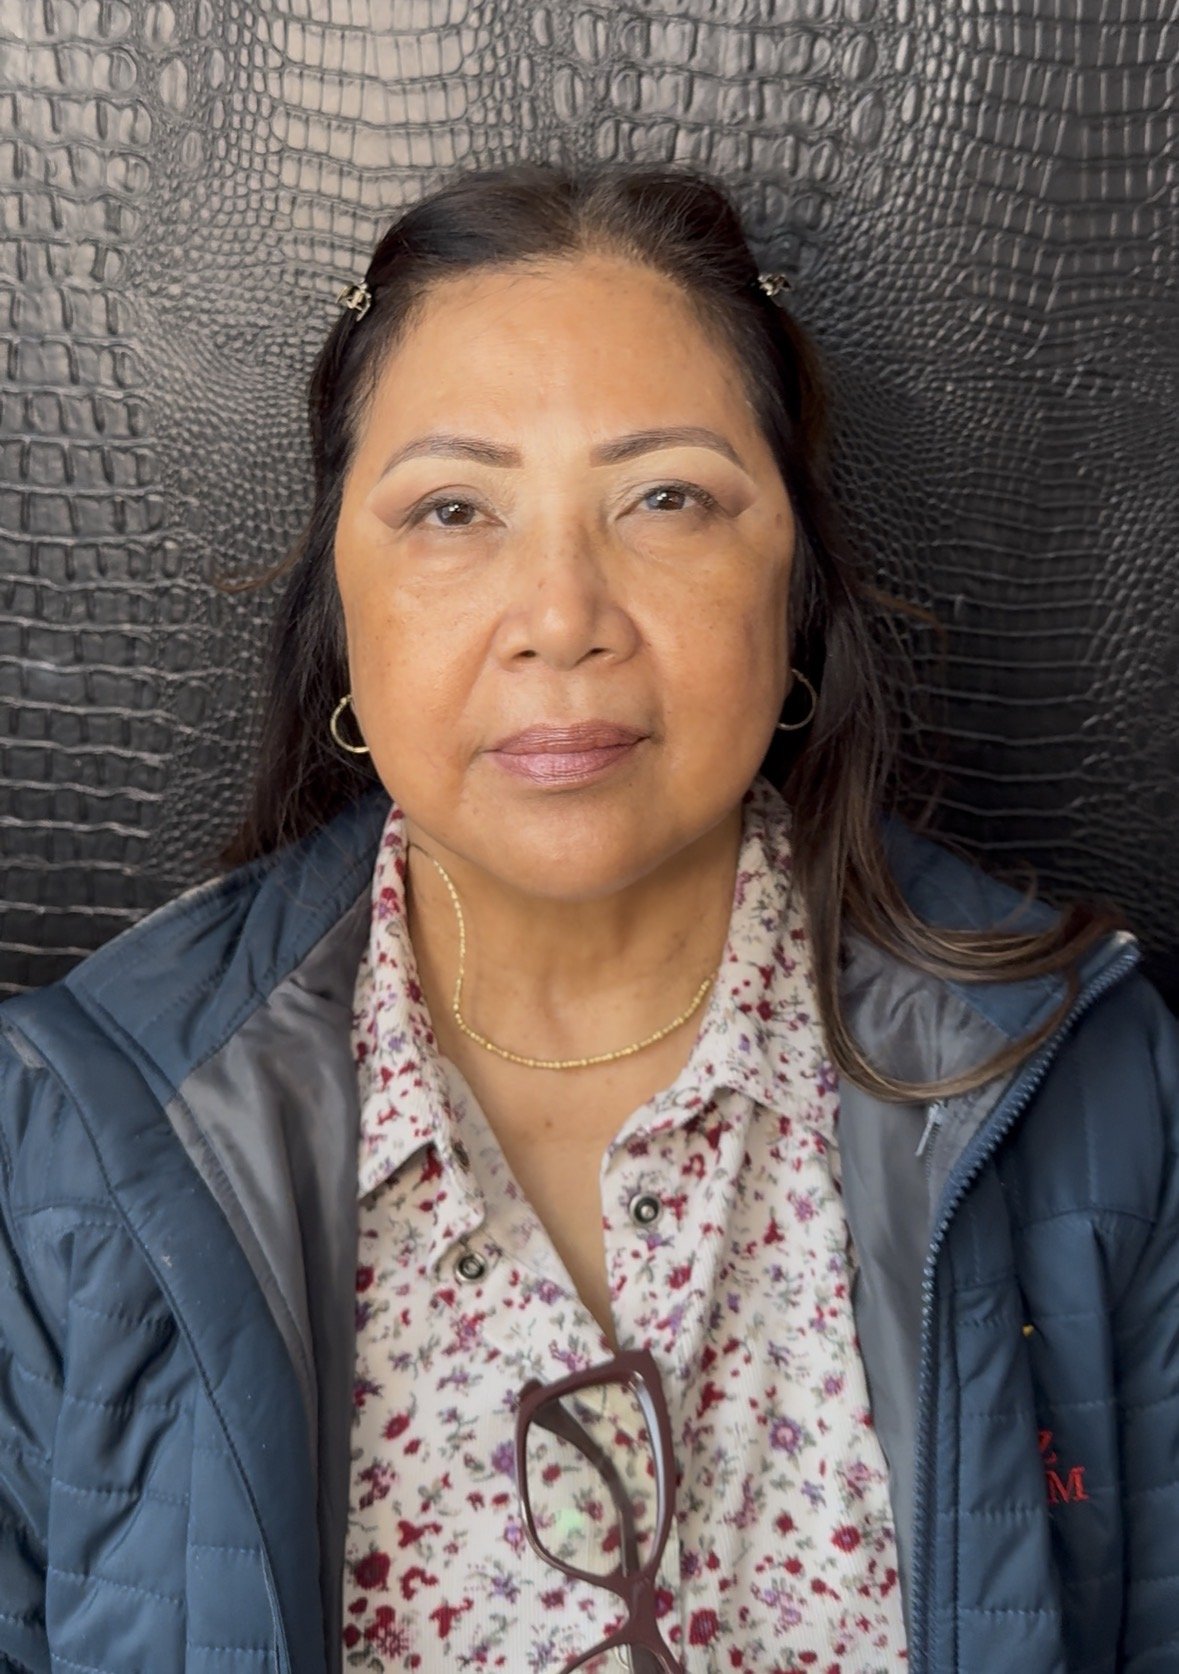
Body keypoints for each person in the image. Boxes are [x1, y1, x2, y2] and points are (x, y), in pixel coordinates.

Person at [0, 159, 1175, 1674]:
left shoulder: (1092, 1088)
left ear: (795, 579)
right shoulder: (72, 1136)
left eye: (667, 497)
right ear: (341, 601)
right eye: (452, 508)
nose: (562, 614)